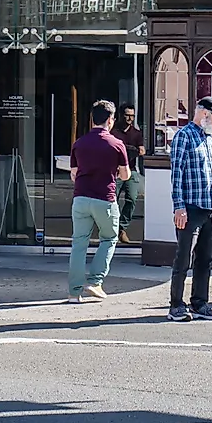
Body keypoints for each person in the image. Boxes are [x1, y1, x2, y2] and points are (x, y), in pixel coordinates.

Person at [166, 96, 212, 321]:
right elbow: (177, 173)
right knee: (184, 258)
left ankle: (200, 303)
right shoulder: (184, 136)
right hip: (190, 207)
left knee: (205, 258)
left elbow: (206, 176)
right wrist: (179, 207)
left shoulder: (207, 139)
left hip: (210, 206)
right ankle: (176, 305)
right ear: (205, 114)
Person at [65, 99, 128, 302]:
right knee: (109, 238)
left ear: (92, 118)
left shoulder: (79, 143)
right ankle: (95, 282)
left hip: (81, 197)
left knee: (79, 243)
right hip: (105, 199)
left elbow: (74, 174)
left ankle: (74, 292)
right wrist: (116, 173)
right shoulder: (117, 144)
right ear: (110, 120)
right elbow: (126, 175)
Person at [114, 105, 146, 238]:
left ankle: (122, 228)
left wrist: (137, 151)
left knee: (132, 199)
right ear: (121, 115)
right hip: (115, 171)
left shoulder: (136, 133)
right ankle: (111, 227)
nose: (129, 118)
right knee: (111, 199)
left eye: (132, 116)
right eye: (127, 115)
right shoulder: (114, 132)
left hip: (131, 170)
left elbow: (142, 149)